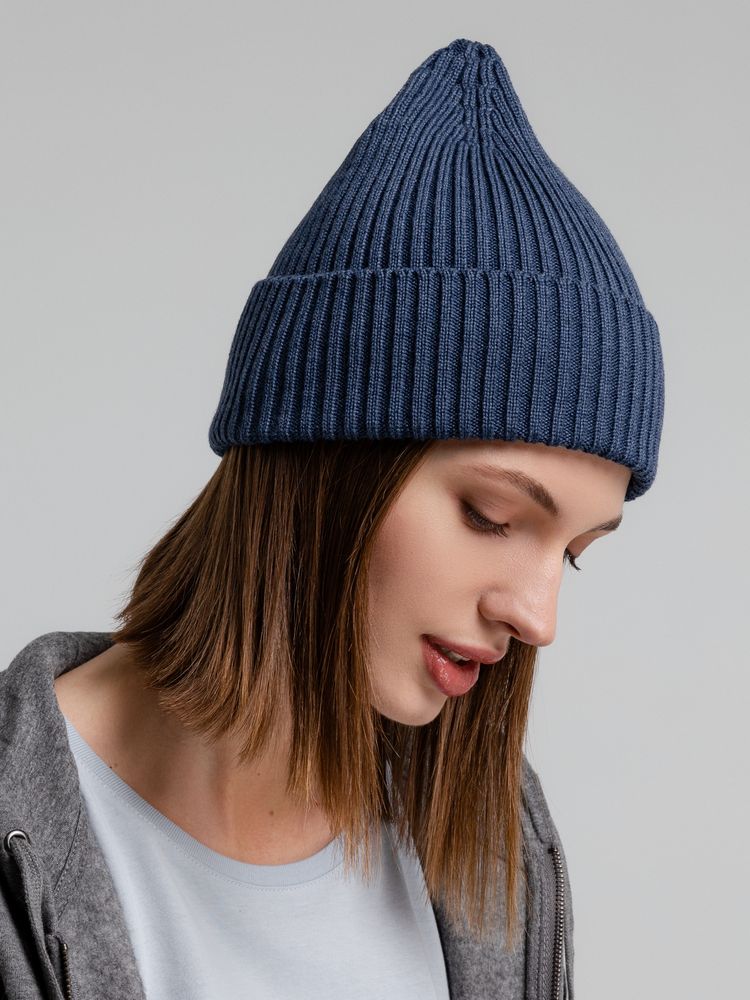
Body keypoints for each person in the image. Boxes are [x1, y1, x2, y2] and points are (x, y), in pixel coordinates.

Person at [0, 36, 665, 1000]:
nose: (537, 617)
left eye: (573, 554)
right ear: (324, 458)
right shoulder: (22, 830)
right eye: (491, 515)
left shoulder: (499, 840)